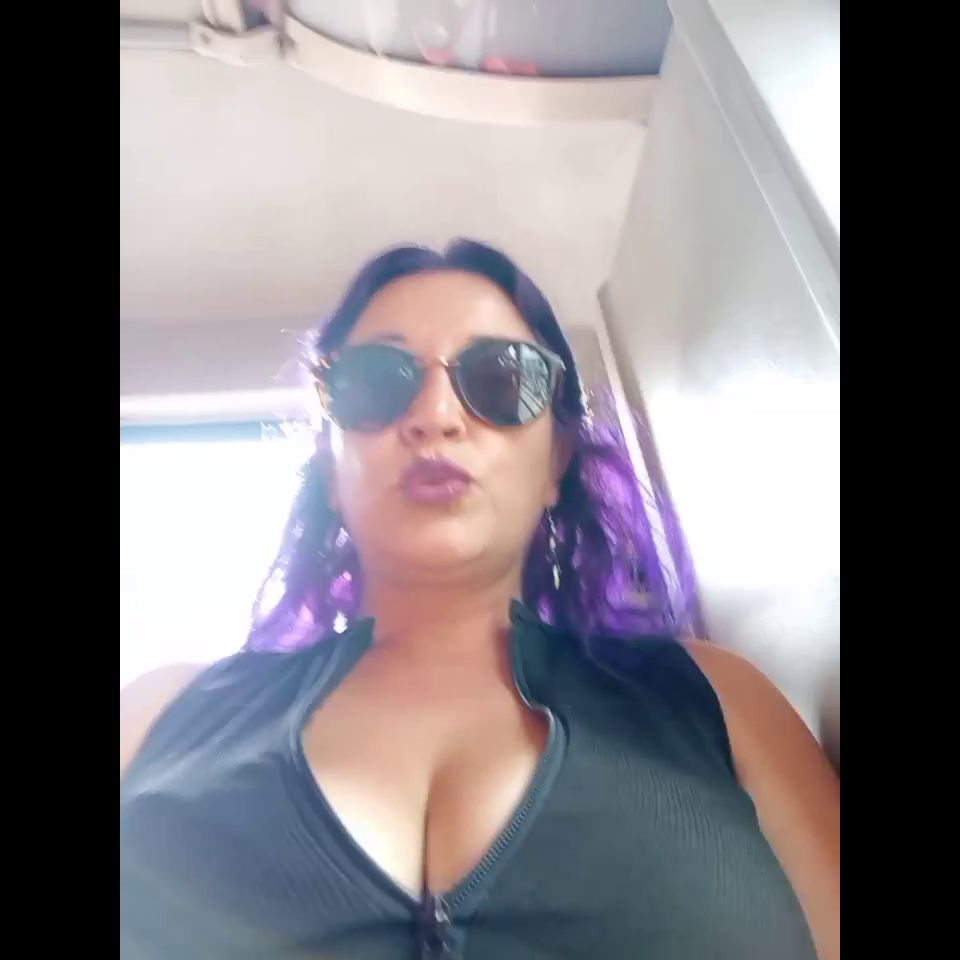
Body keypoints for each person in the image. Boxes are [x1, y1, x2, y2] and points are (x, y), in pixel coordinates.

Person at [120, 240, 839, 959]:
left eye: (502, 377)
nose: (436, 415)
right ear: (329, 466)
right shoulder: (155, 714)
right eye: (375, 380)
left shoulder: (719, 699)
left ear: (557, 460)